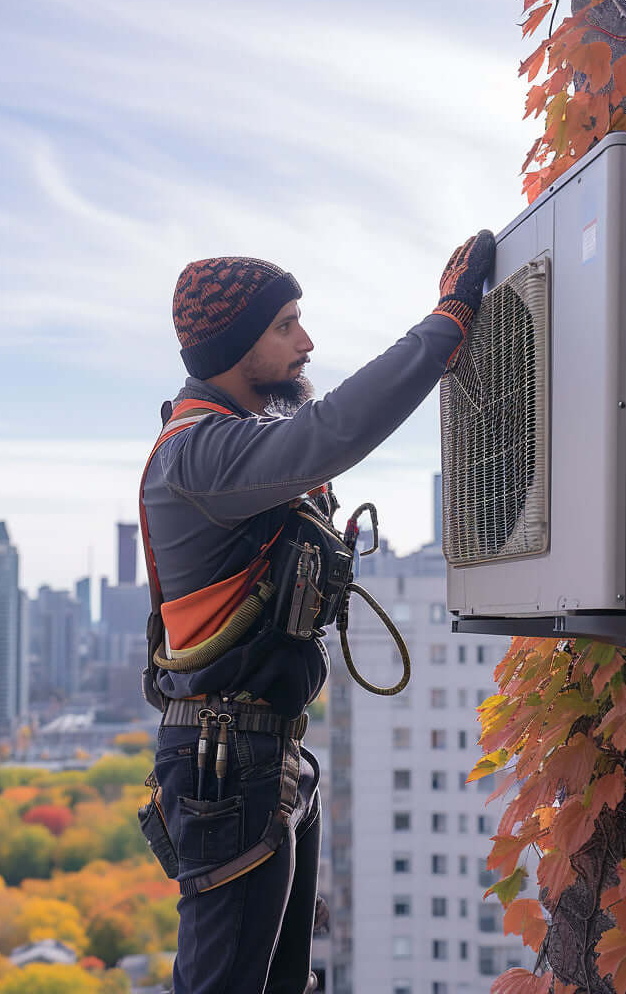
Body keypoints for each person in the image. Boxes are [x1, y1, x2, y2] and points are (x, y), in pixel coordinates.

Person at [138, 230, 495, 994]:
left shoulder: (235, 446)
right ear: (237, 346)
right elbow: (330, 433)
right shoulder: (198, 455)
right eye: (285, 325)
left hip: (265, 759)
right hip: (227, 764)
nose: (307, 341)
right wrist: (449, 321)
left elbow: (308, 447)